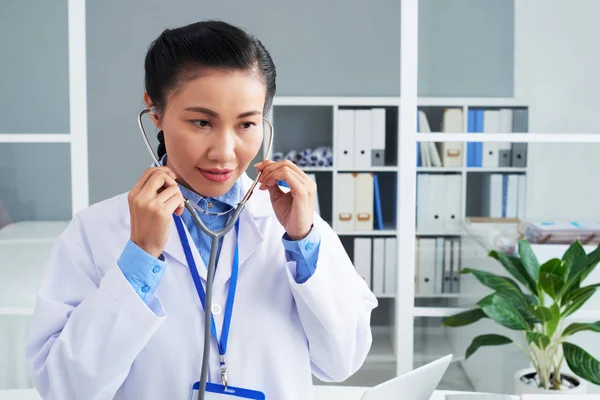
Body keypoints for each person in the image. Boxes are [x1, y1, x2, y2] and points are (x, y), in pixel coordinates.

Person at [26, 20, 377, 400]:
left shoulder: (294, 226)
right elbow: (64, 389)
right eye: (201, 122)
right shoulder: (95, 233)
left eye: (246, 124)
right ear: (155, 113)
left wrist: (304, 242)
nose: (224, 152)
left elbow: (342, 361)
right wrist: (139, 259)